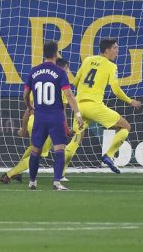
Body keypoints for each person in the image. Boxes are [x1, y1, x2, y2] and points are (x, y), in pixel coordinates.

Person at [63, 38, 142, 174]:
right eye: (115, 48)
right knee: (126, 127)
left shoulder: (87, 60)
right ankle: (108, 155)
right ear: (107, 50)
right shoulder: (111, 66)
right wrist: (130, 101)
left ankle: (60, 173)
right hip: (95, 107)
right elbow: (116, 90)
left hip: (79, 107)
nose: (118, 50)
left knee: (76, 140)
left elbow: (75, 82)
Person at [0, 58, 74, 184]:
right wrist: (66, 129)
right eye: (67, 69)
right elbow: (62, 112)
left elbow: (28, 109)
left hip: (34, 120)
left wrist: (24, 128)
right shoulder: (60, 85)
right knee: (40, 152)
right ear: (62, 69)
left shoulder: (40, 82)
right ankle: (9, 174)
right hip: (51, 121)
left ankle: (17, 172)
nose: (68, 72)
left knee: (34, 149)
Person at [23, 41, 83, 191]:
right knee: (59, 149)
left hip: (40, 117)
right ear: (56, 54)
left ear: (44, 53)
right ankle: (57, 182)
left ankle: (32, 182)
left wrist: (30, 107)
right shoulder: (60, 72)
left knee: (35, 150)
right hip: (55, 117)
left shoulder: (33, 71)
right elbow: (68, 95)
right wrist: (78, 114)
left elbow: (25, 94)